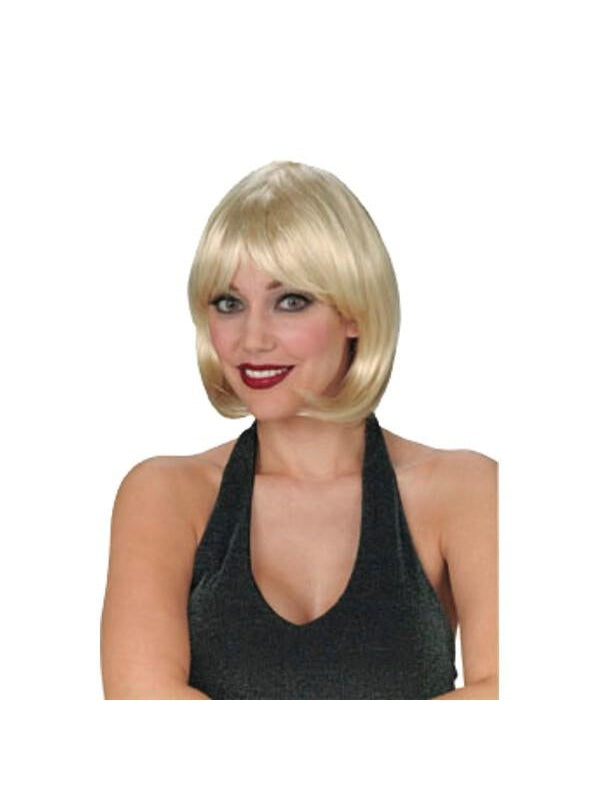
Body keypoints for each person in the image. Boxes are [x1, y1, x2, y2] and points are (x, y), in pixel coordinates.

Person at [100, 160, 498, 700]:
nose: (252, 339)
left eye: (290, 301)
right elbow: (144, 710)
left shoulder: (466, 490)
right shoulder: (165, 496)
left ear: (355, 311)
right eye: (229, 303)